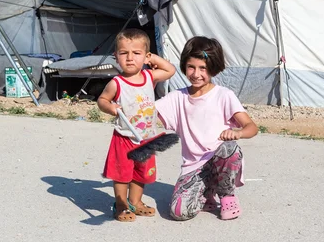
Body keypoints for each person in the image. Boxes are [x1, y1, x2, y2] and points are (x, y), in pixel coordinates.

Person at [155, 36, 258, 221]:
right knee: (179, 212)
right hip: (194, 168)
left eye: (203, 68)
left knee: (229, 148)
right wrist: (149, 79)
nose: (196, 74)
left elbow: (252, 127)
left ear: (213, 68)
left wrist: (238, 132)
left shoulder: (224, 96)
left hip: (220, 158)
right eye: (191, 67)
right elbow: (148, 111)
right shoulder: (177, 97)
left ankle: (227, 195)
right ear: (184, 66)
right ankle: (206, 192)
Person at [97, 28, 175, 222]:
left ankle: (136, 201)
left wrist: (152, 58)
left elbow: (170, 70)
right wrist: (111, 108)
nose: (130, 58)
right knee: (122, 174)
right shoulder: (117, 83)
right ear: (116, 56)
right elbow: (102, 100)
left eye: (137, 53)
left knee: (141, 174)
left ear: (146, 56)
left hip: (147, 137)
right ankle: (121, 204)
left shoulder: (150, 76)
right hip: (124, 137)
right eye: (124, 53)